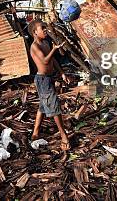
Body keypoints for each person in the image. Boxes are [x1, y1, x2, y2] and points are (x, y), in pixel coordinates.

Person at [28, 19, 71, 151]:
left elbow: (53, 61)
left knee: (43, 105)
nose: (45, 30)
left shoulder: (46, 43)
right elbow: (45, 61)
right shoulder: (35, 46)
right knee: (54, 106)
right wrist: (54, 49)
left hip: (48, 78)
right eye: (42, 28)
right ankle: (64, 136)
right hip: (42, 80)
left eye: (45, 28)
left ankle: (35, 132)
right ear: (35, 32)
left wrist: (62, 73)